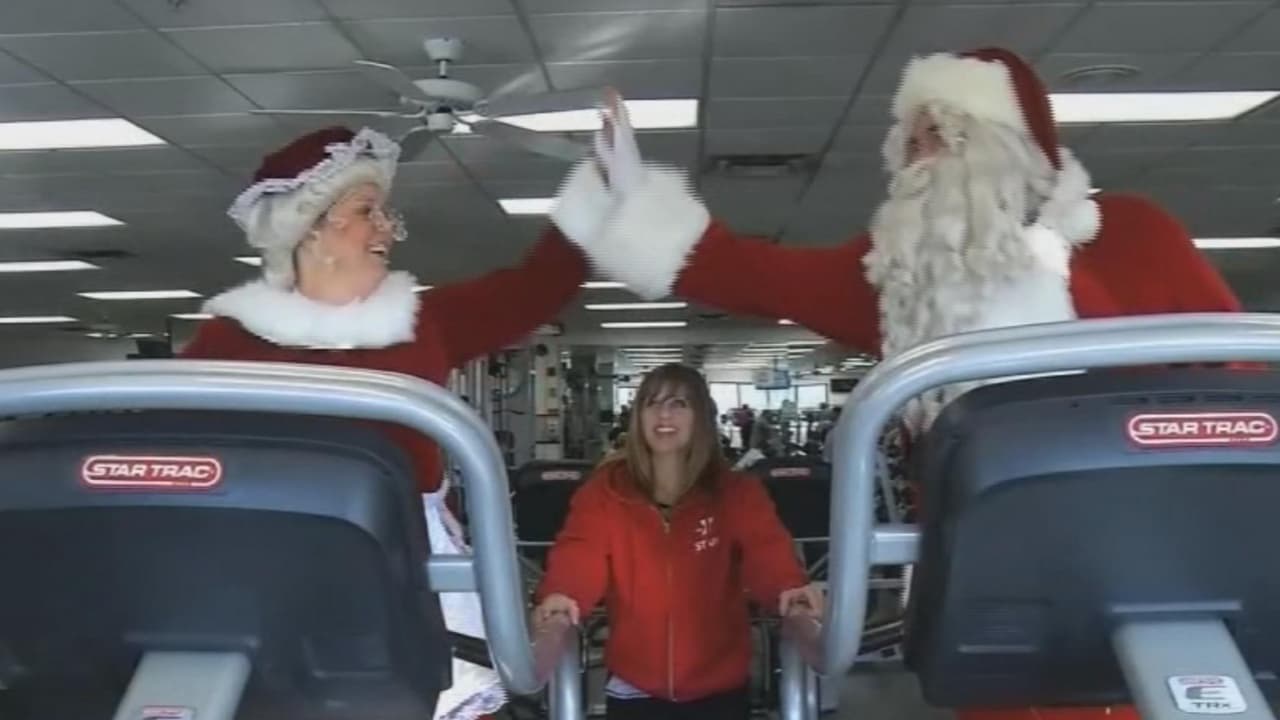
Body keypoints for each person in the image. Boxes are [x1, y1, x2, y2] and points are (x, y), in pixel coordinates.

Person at [553, 48, 1243, 720]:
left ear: (1010, 143)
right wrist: (631, 197)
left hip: (1153, 572)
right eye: (912, 142)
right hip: (994, 588)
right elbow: (757, 274)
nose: (924, 158)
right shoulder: (901, 280)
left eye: (944, 134)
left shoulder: (1127, 236)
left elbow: (1240, 395)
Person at [179, 125, 607, 720]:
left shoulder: (420, 319)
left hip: (410, 566)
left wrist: (600, 191)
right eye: (367, 211)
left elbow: (536, 289)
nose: (388, 229)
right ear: (310, 226)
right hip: (269, 568)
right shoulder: (225, 340)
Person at [532, 364, 823, 720]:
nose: (664, 414)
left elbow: (765, 547)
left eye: (679, 404)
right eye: (652, 403)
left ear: (700, 416)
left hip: (719, 686)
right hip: (635, 684)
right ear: (637, 416)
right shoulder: (605, 492)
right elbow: (580, 551)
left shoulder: (736, 492)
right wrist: (564, 592)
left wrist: (788, 587)